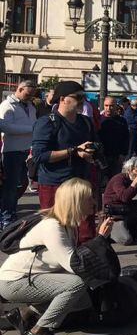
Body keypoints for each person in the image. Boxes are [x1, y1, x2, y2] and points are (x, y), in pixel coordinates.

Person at [0, 178, 108, 335]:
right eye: (89, 198)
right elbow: (74, 264)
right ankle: (38, 331)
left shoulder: (67, 224)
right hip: (14, 281)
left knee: (83, 301)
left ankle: (24, 315)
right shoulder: (52, 226)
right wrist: (100, 239)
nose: (94, 202)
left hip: (31, 277)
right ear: (76, 201)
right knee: (76, 285)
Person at [31, 81, 98, 241]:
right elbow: (39, 156)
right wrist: (74, 152)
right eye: (77, 97)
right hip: (55, 183)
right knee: (54, 230)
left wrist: (93, 150)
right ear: (62, 99)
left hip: (81, 183)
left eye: (84, 97)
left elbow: (96, 143)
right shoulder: (47, 122)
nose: (82, 101)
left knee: (86, 232)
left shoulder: (85, 121)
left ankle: (86, 263)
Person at [0, 78, 38, 228]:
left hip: (27, 151)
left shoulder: (31, 106)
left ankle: (9, 210)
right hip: (12, 151)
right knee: (10, 186)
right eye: (28, 94)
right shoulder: (7, 105)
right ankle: (7, 216)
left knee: (21, 184)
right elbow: (5, 127)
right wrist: (30, 129)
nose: (30, 97)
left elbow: (34, 124)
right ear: (20, 89)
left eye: (32, 95)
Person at [103, 157, 137, 244]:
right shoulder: (119, 179)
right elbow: (124, 197)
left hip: (128, 209)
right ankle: (111, 233)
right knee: (126, 240)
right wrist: (136, 181)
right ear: (130, 169)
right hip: (116, 213)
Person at [98, 96, 130, 179]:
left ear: (116, 106)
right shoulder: (98, 120)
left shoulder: (122, 121)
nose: (108, 108)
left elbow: (126, 138)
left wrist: (123, 154)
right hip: (101, 157)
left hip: (116, 157)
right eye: (106, 105)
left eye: (111, 105)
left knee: (115, 180)